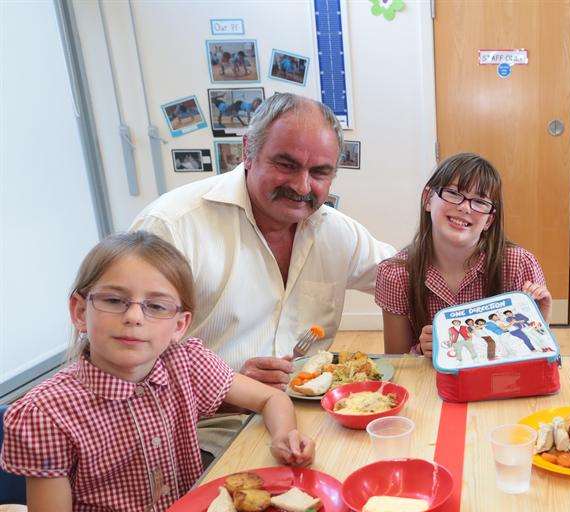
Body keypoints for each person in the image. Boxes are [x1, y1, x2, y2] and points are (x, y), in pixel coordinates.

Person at [0, 232, 314, 512]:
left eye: (155, 305)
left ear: (180, 324)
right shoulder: (47, 412)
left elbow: (270, 397)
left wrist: (282, 435)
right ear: (79, 309)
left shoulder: (186, 363)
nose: (134, 317)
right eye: (114, 300)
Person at [132, 93, 394, 461]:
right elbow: (117, 362)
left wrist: (458, 231)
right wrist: (226, 387)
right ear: (247, 152)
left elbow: (407, 277)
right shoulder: (173, 228)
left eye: (320, 172)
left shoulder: (335, 230)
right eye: (286, 165)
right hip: (201, 432)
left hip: (309, 420)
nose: (303, 187)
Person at [375, 152, 551, 356]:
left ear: (488, 221)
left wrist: (541, 321)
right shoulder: (396, 273)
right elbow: (397, 363)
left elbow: (536, 354)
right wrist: (422, 351)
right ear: (427, 199)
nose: (465, 207)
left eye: (480, 201)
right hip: (431, 384)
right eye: (454, 193)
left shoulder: (519, 264)